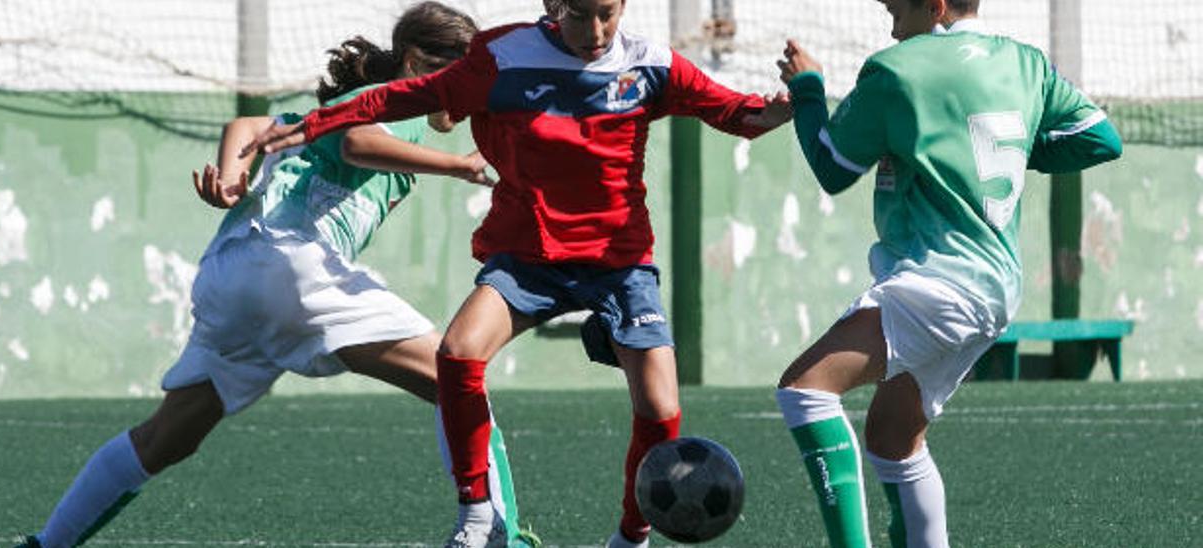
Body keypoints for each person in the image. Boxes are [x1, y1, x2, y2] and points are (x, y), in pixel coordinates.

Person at [242, 1, 791, 546]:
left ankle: (631, 536)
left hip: (619, 262)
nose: (595, 31)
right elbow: (405, 95)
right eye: (580, 14)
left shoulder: (652, 65)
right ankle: (478, 514)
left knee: (662, 410)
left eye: (608, 13)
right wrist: (314, 125)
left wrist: (801, 101)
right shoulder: (502, 56)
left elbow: (745, 117)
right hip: (528, 256)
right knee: (457, 353)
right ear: (553, 4)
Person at [14, 3, 541, 547]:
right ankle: (499, 536)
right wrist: (461, 166)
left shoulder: (332, 111)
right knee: (454, 375)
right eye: (462, 73)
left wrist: (232, 176)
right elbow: (357, 142)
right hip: (292, 264)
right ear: (415, 63)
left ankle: (45, 544)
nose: (470, 89)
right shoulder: (397, 102)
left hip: (232, 273)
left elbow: (247, 124)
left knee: (166, 439)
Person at [772, 0, 1123, 546]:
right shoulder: (1027, 63)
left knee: (806, 392)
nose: (888, 14)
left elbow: (832, 167)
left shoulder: (896, 69)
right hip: (995, 290)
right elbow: (1101, 139)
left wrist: (809, 88)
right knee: (893, 438)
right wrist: (1001, 156)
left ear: (934, 5)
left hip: (937, 283)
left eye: (896, 3)